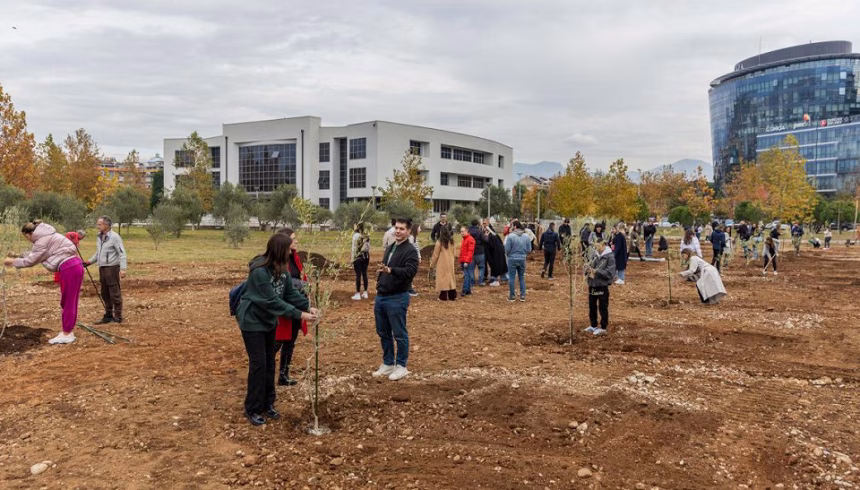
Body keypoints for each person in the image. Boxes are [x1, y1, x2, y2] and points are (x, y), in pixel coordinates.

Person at [236, 233, 318, 426]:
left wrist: (307, 306)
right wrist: (300, 315)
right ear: (281, 250)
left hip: (268, 321)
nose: (292, 251)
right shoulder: (259, 272)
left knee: (269, 363)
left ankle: (268, 403)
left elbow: (289, 293)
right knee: (258, 364)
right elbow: (273, 301)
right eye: (290, 248)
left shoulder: (283, 270)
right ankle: (252, 408)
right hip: (252, 322)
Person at [5, 221, 84, 345]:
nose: (28, 240)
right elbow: (36, 254)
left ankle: (67, 333)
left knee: (68, 301)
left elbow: (32, 260)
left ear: (30, 233)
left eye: (26, 237)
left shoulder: (41, 240)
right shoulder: (46, 236)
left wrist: (13, 262)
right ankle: (68, 331)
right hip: (72, 266)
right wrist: (18, 256)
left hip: (69, 268)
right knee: (68, 301)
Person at [373, 218, 419, 381]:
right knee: (383, 332)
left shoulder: (410, 251)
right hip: (381, 297)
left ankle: (401, 366)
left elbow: (409, 272)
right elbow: (386, 268)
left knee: (399, 334)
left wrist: (391, 270)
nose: (398, 231)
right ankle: (388, 363)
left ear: (408, 231)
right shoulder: (391, 246)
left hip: (397, 298)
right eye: (396, 228)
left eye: (402, 229)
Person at [274, 228, 309, 386]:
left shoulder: (295, 258)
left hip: (296, 305)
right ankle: (265, 370)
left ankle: (283, 374)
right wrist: (300, 285)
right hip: (283, 308)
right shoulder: (280, 261)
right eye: (293, 239)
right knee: (277, 342)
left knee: (290, 342)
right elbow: (284, 282)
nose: (296, 241)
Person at [83, 216, 127, 325]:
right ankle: (108, 316)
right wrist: (89, 262)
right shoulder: (100, 237)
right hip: (102, 268)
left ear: (106, 225)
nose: (97, 226)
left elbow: (122, 253)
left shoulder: (115, 237)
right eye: (98, 224)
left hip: (112, 268)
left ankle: (118, 317)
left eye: (99, 224)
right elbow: (99, 253)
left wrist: (123, 269)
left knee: (114, 293)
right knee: (104, 293)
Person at [584, 238, 615, 336]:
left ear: (604, 245)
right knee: (592, 306)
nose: (596, 248)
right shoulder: (594, 255)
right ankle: (593, 325)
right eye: (595, 246)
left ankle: (603, 327)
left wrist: (596, 271)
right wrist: (587, 269)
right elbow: (588, 265)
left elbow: (610, 273)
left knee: (603, 306)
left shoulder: (610, 257)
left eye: (598, 246)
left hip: (602, 286)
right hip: (592, 284)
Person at [505, 220, 531, 302]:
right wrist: (524, 254)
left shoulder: (511, 236)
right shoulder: (526, 236)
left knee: (512, 277)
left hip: (512, 259)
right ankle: (522, 295)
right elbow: (529, 249)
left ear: (515, 227)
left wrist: (509, 255)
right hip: (522, 259)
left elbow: (507, 249)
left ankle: (512, 296)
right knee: (521, 277)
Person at [430, 225, 457, 301]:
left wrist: (432, 265)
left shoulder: (439, 242)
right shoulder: (452, 242)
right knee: (450, 277)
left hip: (442, 263)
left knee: (443, 278)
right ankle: (452, 295)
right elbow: (455, 253)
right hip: (450, 262)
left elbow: (435, 255)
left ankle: (443, 296)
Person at [483, 219, 507, 286]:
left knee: (496, 266)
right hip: (499, 253)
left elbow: (488, 247)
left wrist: (489, 258)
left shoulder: (490, 237)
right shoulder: (494, 235)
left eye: (484, 223)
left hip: (495, 254)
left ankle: (495, 279)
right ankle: (503, 278)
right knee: (501, 265)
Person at [351, 222, 370, 301]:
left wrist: (352, 259)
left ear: (357, 227)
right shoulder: (367, 235)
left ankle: (358, 293)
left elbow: (354, 248)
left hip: (358, 257)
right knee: (364, 274)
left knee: (358, 275)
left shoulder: (355, 236)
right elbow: (368, 247)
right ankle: (365, 292)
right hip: (366, 257)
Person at [468, 219, 487, 287]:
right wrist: (486, 235)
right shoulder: (480, 232)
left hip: (471, 252)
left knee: (471, 268)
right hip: (480, 252)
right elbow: (485, 240)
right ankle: (480, 281)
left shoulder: (468, 232)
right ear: (477, 224)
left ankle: (472, 282)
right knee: (481, 267)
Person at [458, 226, 475, 296]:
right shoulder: (464, 239)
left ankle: (464, 290)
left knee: (467, 275)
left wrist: (466, 261)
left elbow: (470, 251)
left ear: (467, 231)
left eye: (462, 231)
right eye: (461, 231)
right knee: (467, 275)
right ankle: (468, 290)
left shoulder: (470, 239)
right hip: (464, 260)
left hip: (467, 261)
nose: (461, 233)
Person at [407, 223, 422, 297]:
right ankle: (409, 289)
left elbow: (417, 249)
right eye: (419, 228)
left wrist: (419, 257)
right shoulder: (411, 238)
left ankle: (409, 287)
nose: (420, 230)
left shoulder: (414, 238)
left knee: (412, 274)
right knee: (410, 274)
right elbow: (411, 249)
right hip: (411, 259)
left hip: (414, 259)